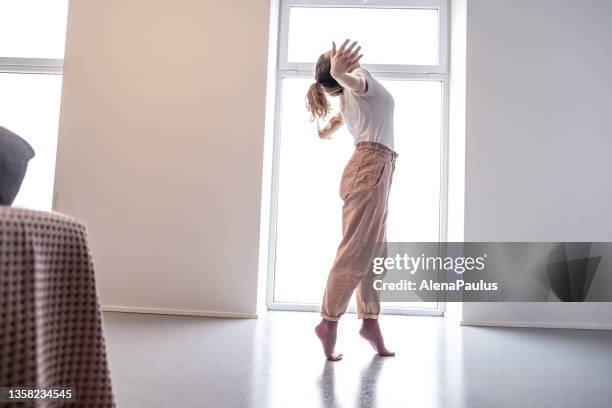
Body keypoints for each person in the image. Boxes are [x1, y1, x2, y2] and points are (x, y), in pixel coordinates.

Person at [306, 39, 397, 361]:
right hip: (370, 169)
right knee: (355, 253)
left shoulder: (351, 97)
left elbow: (337, 119)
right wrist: (341, 73)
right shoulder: (358, 84)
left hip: (376, 170)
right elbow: (351, 81)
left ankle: (369, 322)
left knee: (375, 254)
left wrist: (326, 130)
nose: (344, 58)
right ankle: (327, 323)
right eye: (336, 58)